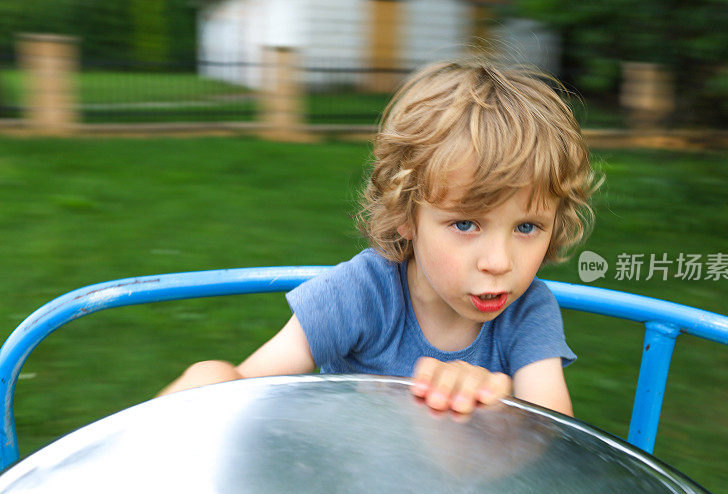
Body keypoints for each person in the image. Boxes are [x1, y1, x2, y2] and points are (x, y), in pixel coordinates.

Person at [159, 58, 600, 416]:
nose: (499, 262)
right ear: (406, 217)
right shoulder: (362, 292)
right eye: (466, 224)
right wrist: (211, 380)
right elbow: (247, 385)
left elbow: (551, 433)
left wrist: (500, 409)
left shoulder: (528, 311)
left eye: (527, 227)